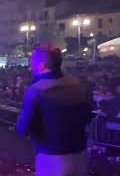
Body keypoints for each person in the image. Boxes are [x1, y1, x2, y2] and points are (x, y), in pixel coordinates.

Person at [17, 45, 94, 176]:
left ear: (42, 65)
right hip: (81, 153)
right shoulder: (79, 84)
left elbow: (23, 128)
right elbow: (88, 115)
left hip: (52, 157)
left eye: (33, 61)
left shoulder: (36, 90)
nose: (31, 65)